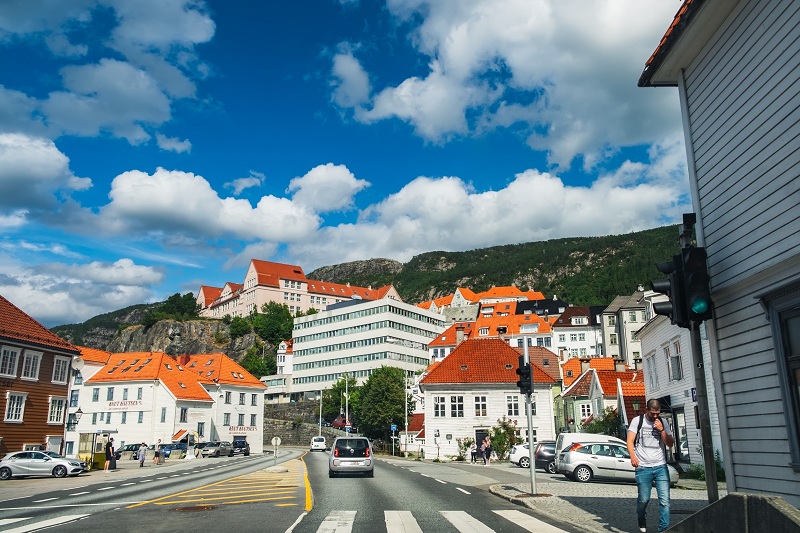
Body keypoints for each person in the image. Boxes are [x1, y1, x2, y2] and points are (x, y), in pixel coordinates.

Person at [627, 399, 674, 533]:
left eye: (657, 413)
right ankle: (641, 516)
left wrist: (662, 430)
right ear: (647, 410)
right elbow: (630, 441)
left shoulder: (663, 422)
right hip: (643, 466)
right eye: (652, 413)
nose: (655, 416)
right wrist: (633, 456)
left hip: (660, 466)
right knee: (644, 499)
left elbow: (670, 444)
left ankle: (663, 529)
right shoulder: (638, 421)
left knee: (665, 500)